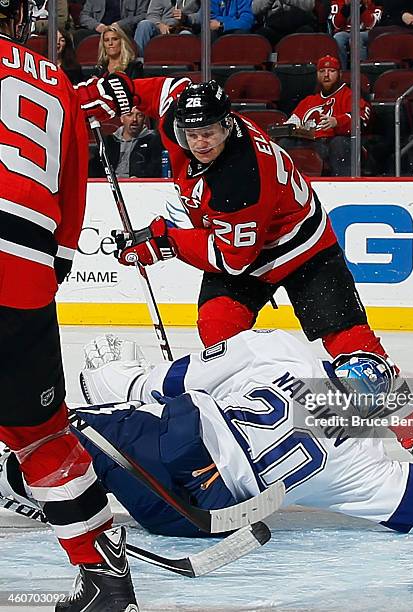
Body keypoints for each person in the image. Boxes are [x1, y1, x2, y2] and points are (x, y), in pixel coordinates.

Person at [87, 75, 413, 469]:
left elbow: (233, 261)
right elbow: (163, 88)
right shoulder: (182, 114)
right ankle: (246, 431)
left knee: (353, 346)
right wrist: (112, 91)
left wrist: (167, 242)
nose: (201, 142)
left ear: (227, 125)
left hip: (302, 248)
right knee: (219, 334)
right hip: (239, 244)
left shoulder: (239, 176)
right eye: (193, 133)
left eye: (210, 132)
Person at [5, 330, 413, 541]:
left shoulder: (284, 353)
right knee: (122, 444)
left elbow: (181, 379)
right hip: (195, 520)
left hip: (174, 451)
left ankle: (20, 481)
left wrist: (135, 384)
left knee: (78, 433)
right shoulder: (360, 459)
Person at [0, 0, 139, 609]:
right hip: (27, 277)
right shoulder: (53, 79)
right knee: (43, 439)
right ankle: (107, 583)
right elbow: (71, 195)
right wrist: (40, 278)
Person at [280, 54, 372, 176]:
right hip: (313, 145)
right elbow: (291, 123)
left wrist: (337, 122)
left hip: (336, 144)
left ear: (340, 74)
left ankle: (343, 186)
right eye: (322, 71)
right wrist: (295, 129)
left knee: (338, 143)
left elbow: (361, 121)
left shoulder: (350, 95)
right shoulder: (309, 101)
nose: (326, 75)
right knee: (285, 142)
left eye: (331, 71)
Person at [89, 106, 163, 178]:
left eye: (139, 115)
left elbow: (156, 168)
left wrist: (138, 178)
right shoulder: (108, 141)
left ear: (144, 119)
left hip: (139, 185)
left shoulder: (154, 140)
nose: (134, 119)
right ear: (122, 118)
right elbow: (94, 169)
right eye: (129, 115)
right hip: (110, 184)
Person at [330, 0, 383, 68]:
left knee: (356, 38)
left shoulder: (373, 3)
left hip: (366, 32)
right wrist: (346, 8)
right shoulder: (339, 2)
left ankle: (361, 70)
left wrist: (361, 7)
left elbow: (371, 24)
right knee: (338, 38)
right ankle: (342, 70)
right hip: (346, 32)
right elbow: (336, 25)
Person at [75, 0, 149, 46]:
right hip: (100, 30)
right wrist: (97, 25)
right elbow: (83, 16)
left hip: (124, 30)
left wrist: (120, 25)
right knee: (79, 34)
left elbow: (143, 15)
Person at [252, 0, 316, 46]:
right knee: (261, 36)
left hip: (298, 27)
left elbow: (310, 5)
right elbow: (254, 9)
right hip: (273, 29)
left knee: (307, 32)